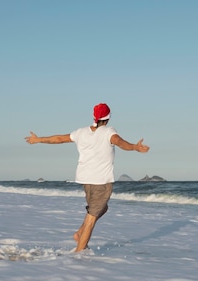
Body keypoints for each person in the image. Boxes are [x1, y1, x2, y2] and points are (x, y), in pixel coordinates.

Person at [25, 103, 150, 252]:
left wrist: (38, 139)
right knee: (91, 219)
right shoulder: (109, 131)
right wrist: (135, 147)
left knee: (101, 209)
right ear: (108, 118)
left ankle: (79, 233)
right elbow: (120, 143)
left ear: (94, 117)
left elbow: (59, 138)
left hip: (86, 180)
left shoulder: (81, 132)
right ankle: (79, 252)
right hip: (101, 182)